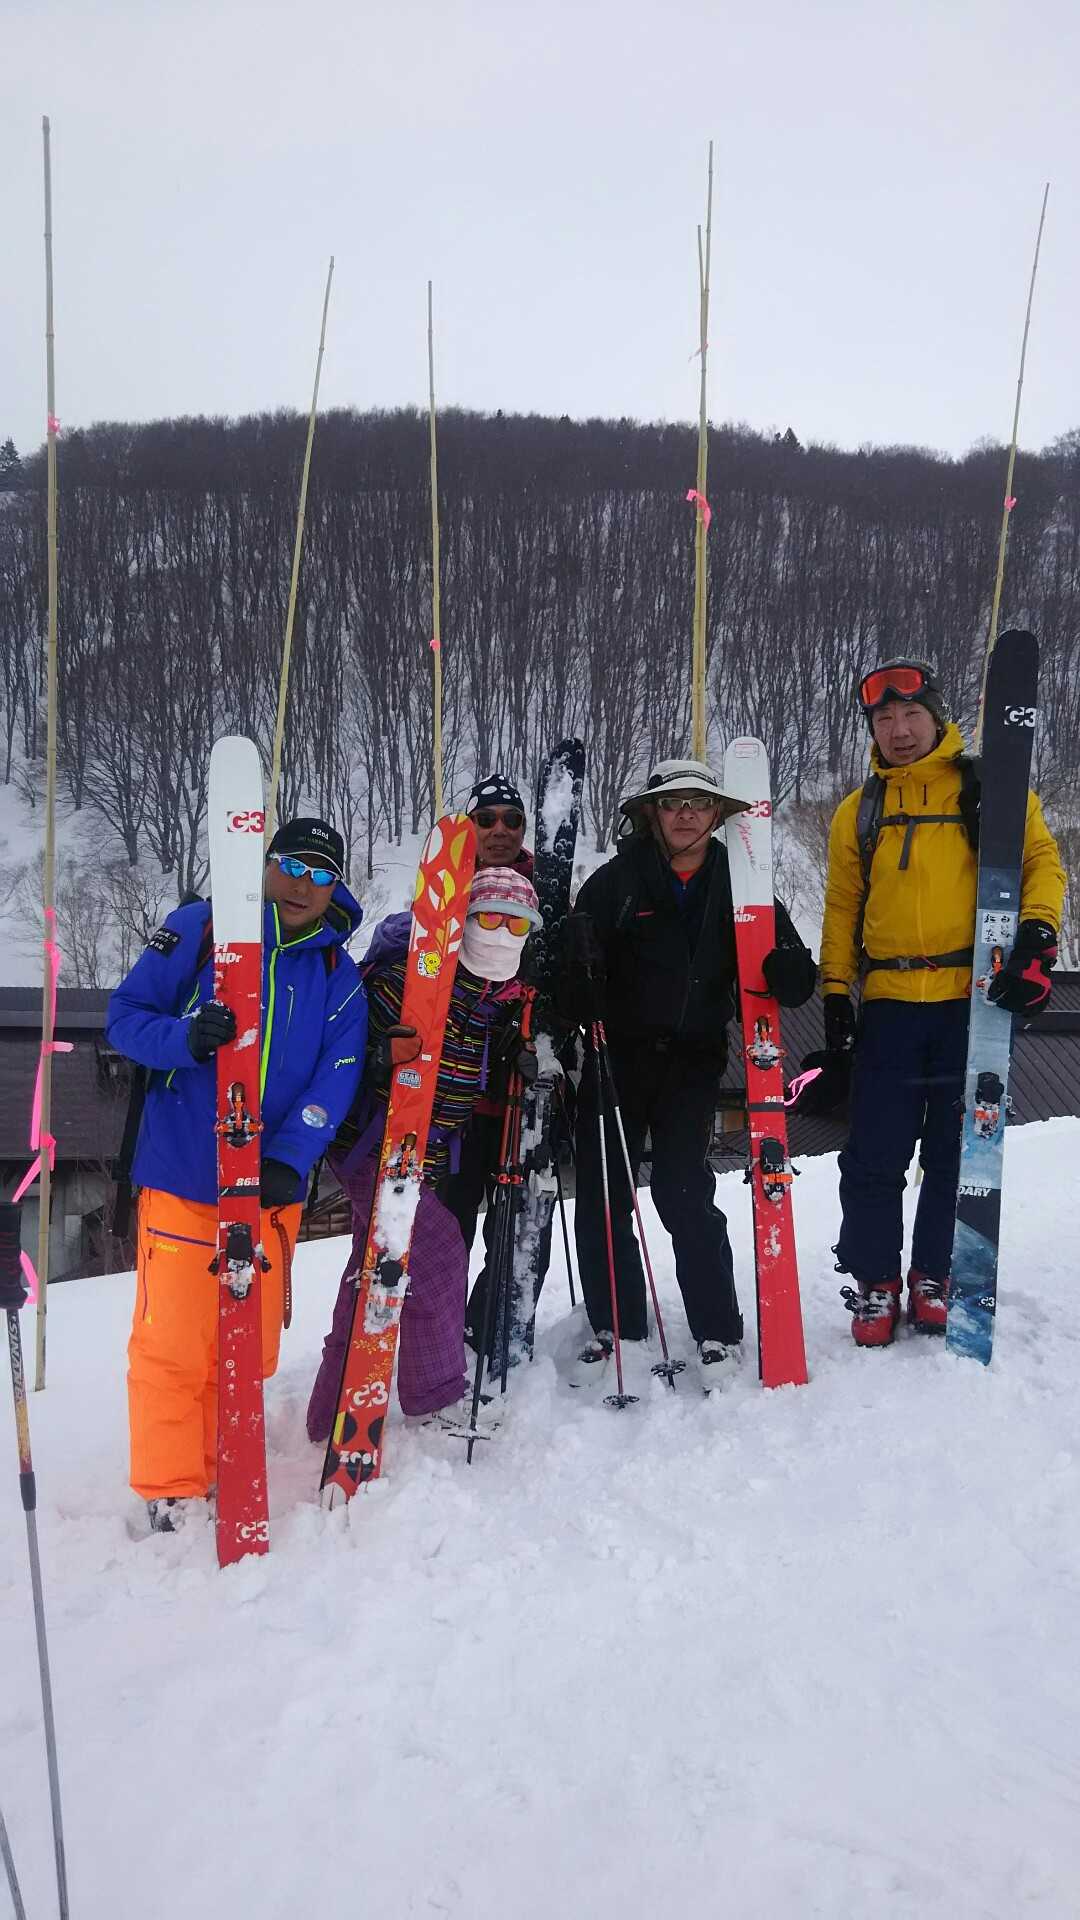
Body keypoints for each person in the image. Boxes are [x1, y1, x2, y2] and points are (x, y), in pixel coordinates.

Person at [106, 815, 368, 1532]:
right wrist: (184, 1039)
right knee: (174, 1342)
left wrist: (290, 1155)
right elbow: (124, 1017)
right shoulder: (200, 928)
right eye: (293, 865)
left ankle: (224, 1466)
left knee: (245, 1347)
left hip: (268, 1190)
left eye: (322, 875)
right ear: (267, 864)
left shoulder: (337, 974)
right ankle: (171, 1488)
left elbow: (338, 1073)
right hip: (184, 1176)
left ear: (335, 887)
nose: (304, 885)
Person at [816, 658, 1065, 1346]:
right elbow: (841, 906)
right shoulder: (860, 810)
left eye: (911, 715)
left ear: (936, 716)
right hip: (890, 1002)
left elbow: (1042, 863)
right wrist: (835, 990)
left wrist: (1037, 937)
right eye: (884, 719)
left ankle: (934, 1272)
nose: (899, 730)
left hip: (971, 1000)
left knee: (959, 1152)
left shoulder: (988, 789)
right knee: (874, 1154)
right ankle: (876, 1280)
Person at [561, 756, 817, 1387]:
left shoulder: (741, 881)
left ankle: (717, 1327)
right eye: (673, 804)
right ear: (652, 813)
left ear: (716, 815)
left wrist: (790, 970)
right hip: (616, 1058)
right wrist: (576, 982)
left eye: (699, 804)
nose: (685, 815)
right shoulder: (615, 883)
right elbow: (572, 969)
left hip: (694, 1059)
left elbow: (789, 968)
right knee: (603, 1192)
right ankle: (615, 1322)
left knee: (682, 1190)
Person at [306, 866, 542, 1440]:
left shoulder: (492, 1000)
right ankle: (433, 1395)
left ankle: (330, 1408)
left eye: (517, 924)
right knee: (438, 1254)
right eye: (489, 918)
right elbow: (339, 1052)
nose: (502, 934)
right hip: (371, 1145)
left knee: (368, 1268)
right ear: (462, 922)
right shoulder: (405, 980)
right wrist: (378, 1058)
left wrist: (512, 1058)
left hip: (422, 1154)